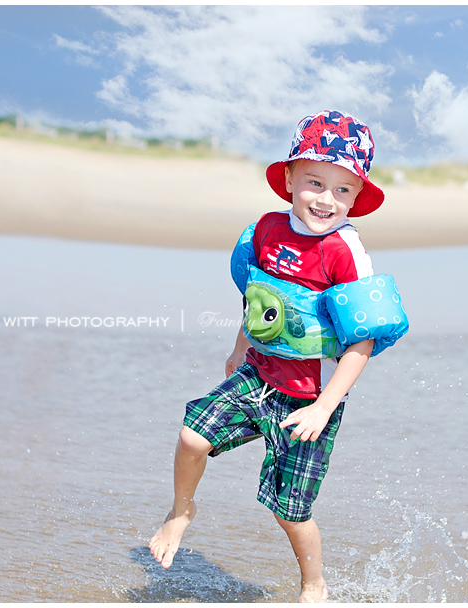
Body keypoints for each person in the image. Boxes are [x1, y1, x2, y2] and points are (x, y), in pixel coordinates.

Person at [150, 110, 400, 602]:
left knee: (290, 511)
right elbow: (262, 299)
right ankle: (181, 511)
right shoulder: (266, 230)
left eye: (343, 189)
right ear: (288, 179)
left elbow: (361, 341)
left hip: (309, 399)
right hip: (257, 374)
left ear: (357, 197)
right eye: (314, 181)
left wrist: (324, 407)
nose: (327, 199)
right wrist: (239, 347)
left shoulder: (346, 251)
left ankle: (314, 582)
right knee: (192, 435)